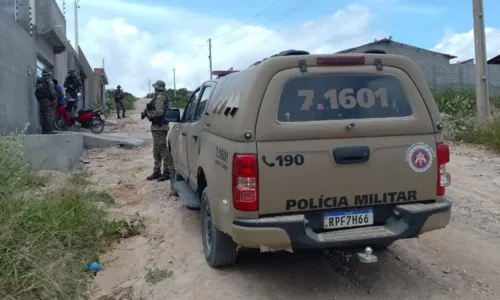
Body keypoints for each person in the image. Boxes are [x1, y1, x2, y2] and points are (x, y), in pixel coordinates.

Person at [144, 80, 172, 181]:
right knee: (156, 151)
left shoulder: (160, 97)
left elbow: (160, 112)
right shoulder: (157, 97)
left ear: (158, 87)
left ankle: (167, 172)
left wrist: (149, 115)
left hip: (160, 127)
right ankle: (157, 171)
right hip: (157, 127)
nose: (154, 89)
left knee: (163, 150)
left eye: (155, 87)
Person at [35, 68, 57, 134]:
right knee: (49, 114)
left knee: (42, 115)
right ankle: (49, 130)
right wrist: (54, 99)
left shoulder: (39, 80)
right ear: (48, 74)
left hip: (41, 100)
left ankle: (44, 130)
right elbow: (52, 91)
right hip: (48, 100)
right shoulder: (49, 81)